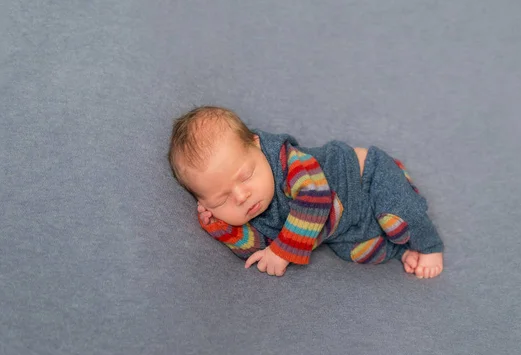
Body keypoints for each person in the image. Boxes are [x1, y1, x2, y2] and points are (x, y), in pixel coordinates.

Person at [168, 106, 444, 278]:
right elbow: (261, 250)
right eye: (221, 199)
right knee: (357, 253)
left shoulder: (288, 161)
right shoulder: (248, 209)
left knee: (398, 212)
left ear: (257, 145)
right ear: (205, 203)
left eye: (246, 176)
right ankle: (402, 251)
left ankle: (428, 246)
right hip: (346, 226)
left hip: (367, 178)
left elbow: (316, 196)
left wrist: (283, 252)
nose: (241, 197)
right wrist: (222, 228)